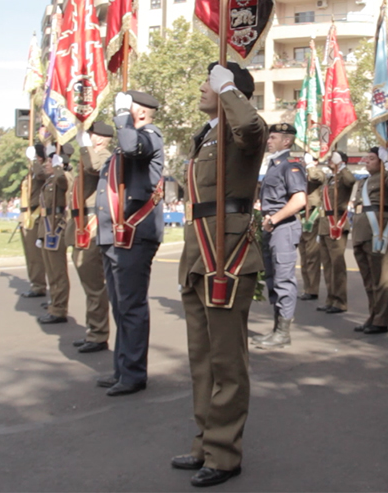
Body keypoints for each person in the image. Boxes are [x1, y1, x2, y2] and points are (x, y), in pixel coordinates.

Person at [172, 62, 267, 488]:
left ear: (231, 90)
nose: (203, 87)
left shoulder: (241, 130)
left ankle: (225, 454)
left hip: (227, 255)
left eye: (211, 82)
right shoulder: (208, 134)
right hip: (200, 254)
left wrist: (229, 86)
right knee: (202, 362)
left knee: (227, 361)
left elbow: (250, 127)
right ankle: (205, 443)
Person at [95, 90, 164, 397]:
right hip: (115, 234)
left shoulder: (150, 136)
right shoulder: (130, 138)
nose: (120, 110)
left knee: (132, 306)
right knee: (120, 306)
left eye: (127, 106)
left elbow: (130, 146)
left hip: (134, 233)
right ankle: (122, 367)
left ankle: (134, 373)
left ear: (141, 111)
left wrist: (123, 117)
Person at [252, 123, 307, 349]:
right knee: (273, 278)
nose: (268, 140)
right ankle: (277, 329)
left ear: (286, 141)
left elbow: (299, 200)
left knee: (284, 280)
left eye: (273, 137)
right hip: (272, 227)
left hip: (283, 228)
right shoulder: (275, 165)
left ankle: (283, 333)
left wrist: (274, 219)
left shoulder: (290, 164)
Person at [67, 121, 113, 353]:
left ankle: (98, 334)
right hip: (81, 224)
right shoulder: (89, 156)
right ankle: (93, 330)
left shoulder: (104, 156)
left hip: (93, 225)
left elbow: (94, 168)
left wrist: (86, 147)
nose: (88, 138)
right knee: (89, 283)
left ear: (101, 139)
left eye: (92, 135)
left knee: (94, 283)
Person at [351, 146, 388, 334]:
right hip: (361, 233)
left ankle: (381, 320)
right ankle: (373, 315)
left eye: (371, 158)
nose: (366, 161)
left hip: (378, 231)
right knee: (369, 280)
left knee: (381, 279)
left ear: (381, 161)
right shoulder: (364, 181)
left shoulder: (386, 177)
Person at [37, 143, 74, 324]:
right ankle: (54, 302)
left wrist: (59, 166)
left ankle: (59, 309)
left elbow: (64, 183)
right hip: (47, 227)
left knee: (58, 272)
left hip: (57, 229)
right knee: (51, 271)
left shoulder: (63, 177)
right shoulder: (50, 179)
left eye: (51, 160)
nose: (47, 163)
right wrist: (40, 234)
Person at [316, 151, 355, 314]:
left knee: (337, 265)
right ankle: (331, 298)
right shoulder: (330, 178)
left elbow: (350, 181)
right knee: (328, 265)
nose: (330, 161)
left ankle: (340, 301)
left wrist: (342, 166)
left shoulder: (343, 177)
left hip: (337, 224)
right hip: (325, 225)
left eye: (333, 158)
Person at [20, 138, 48, 298]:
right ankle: (35, 282)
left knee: (35, 255)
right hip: (26, 214)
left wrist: (34, 162)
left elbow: (41, 175)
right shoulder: (30, 173)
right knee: (29, 254)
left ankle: (38, 285)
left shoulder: (42, 170)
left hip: (36, 215)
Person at [297, 154, 325, 301]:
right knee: (303, 254)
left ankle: (313, 289)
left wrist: (310, 165)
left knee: (312, 254)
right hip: (301, 214)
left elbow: (316, 178)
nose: (303, 162)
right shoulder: (301, 173)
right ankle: (307, 287)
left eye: (306, 159)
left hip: (312, 214)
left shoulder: (318, 172)